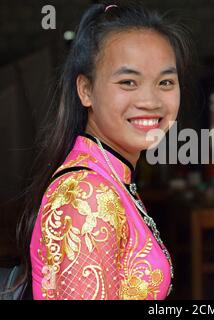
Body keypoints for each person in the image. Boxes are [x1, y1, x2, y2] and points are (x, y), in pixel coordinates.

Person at [17, 2, 196, 300]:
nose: (150, 101)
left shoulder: (111, 176)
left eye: (165, 82)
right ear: (86, 90)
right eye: (128, 82)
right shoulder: (86, 195)